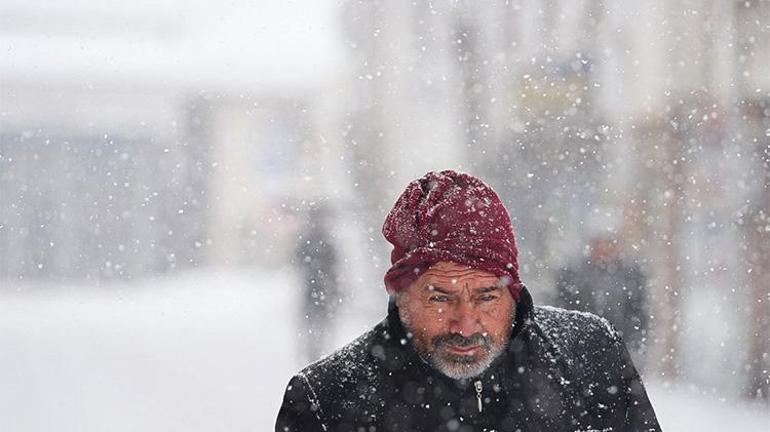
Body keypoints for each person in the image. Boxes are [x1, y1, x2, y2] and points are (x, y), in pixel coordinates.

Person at [276, 170, 660, 432]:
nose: (465, 323)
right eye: (440, 297)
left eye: (486, 296)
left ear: (512, 290)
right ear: (402, 294)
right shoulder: (327, 403)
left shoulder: (589, 358)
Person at [555, 234, 649, 362]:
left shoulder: (630, 276)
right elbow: (563, 309)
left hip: (619, 348)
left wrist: (633, 347)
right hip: (582, 350)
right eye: (599, 243)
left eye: (609, 243)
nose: (604, 249)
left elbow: (638, 314)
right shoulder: (574, 275)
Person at [293, 204, 340, 363]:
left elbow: (299, 261)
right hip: (319, 291)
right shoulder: (321, 241)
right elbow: (334, 267)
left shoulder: (312, 241)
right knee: (318, 326)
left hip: (317, 291)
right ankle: (317, 355)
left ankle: (315, 355)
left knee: (317, 326)